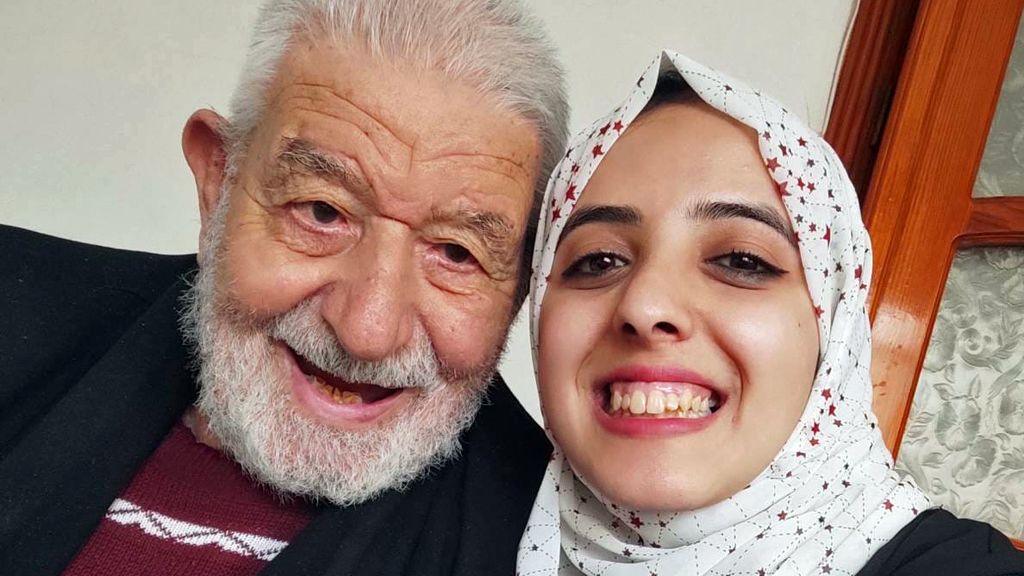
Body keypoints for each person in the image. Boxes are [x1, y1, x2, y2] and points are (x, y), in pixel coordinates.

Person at [0, 1, 568, 574]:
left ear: (522, 283)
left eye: (455, 253)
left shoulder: (545, 548)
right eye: (322, 212)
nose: (367, 332)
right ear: (217, 183)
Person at [517, 51, 1024, 575]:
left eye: (741, 260)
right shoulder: (463, 514)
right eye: (598, 260)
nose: (645, 306)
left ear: (833, 323)